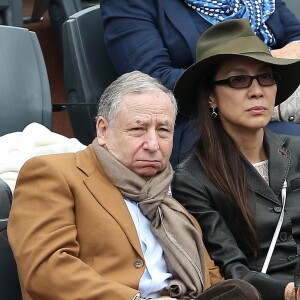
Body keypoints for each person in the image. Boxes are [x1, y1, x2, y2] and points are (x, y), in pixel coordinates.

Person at [7, 71, 261, 300]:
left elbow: (209, 276)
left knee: (241, 293)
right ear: (103, 130)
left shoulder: (173, 193)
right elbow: (46, 270)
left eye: (163, 130)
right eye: (138, 129)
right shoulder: (54, 173)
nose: (153, 144)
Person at [171, 18, 300, 300]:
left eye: (266, 77)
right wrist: (291, 292)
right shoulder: (192, 178)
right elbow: (232, 269)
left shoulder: (298, 149)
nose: (257, 91)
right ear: (210, 98)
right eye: (238, 79)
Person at [101, 0, 300, 167]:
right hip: (199, 119)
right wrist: (266, 62)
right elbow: (154, 80)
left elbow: (296, 39)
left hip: (276, 94)